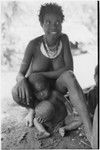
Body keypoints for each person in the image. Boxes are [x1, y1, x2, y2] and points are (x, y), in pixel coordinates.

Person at [12, 3, 73, 127]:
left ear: (62, 23)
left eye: (57, 22)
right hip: (35, 92)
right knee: (16, 91)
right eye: (48, 22)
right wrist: (22, 79)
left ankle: (43, 111)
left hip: (54, 92)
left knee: (47, 111)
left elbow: (69, 69)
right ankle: (31, 110)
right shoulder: (33, 45)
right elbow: (20, 73)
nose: (53, 26)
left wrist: (41, 74)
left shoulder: (64, 39)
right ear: (41, 24)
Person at [56, 66, 98, 149]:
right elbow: (88, 113)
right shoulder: (93, 93)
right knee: (83, 118)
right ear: (94, 77)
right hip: (93, 118)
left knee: (83, 119)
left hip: (95, 121)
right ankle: (66, 128)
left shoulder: (92, 92)